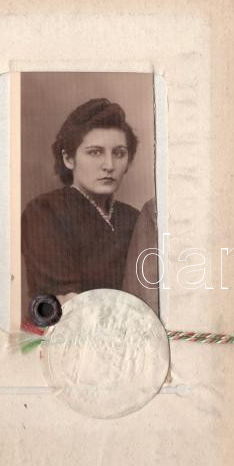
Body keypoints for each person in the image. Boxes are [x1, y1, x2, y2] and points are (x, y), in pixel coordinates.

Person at [21, 98, 140, 314]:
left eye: (119, 153)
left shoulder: (134, 218)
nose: (109, 165)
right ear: (68, 158)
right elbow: (67, 301)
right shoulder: (44, 211)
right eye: (95, 152)